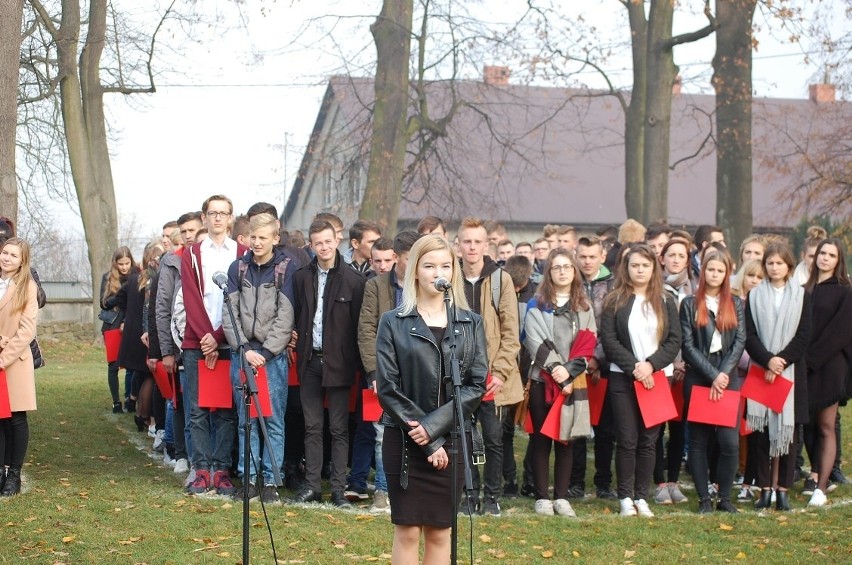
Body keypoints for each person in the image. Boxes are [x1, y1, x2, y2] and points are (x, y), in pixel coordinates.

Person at [375, 234, 486, 564]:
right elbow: (388, 389)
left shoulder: (470, 323)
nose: (439, 271)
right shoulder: (392, 322)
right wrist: (426, 439)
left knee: (440, 531)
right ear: (415, 271)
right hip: (405, 439)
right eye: (430, 265)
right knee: (407, 530)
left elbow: (475, 385)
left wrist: (435, 427)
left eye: (446, 265)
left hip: (453, 438)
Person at [599, 244, 681, 518]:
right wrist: (635, 366)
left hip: (657, 378)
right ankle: (625, 497)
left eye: (645, 265)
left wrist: (651, 365)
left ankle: (642, 497)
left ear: (654, 268)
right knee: (627, 438)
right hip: (623, 378)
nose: (640, 270)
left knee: (649, 440)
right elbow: (609, 341)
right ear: (626, 268)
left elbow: (674, 340)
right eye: (635, 265)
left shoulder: (666, 300)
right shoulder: (615, 300)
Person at [288, 219, 366, 507]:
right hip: (309, 360)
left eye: (328, 241)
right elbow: (297, 315)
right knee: (312, 426)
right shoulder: (300, 277)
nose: (323, 247)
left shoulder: (354, 280)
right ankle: (311, 486)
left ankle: (337, 488)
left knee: (338, 428)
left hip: (340, 363)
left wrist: (358, 365)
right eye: (317, 242)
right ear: (311, 245)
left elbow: (359, 327)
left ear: (337, 241)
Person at [222, 213, 297, 504]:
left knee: (273, 419)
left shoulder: (285, 269)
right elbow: (229, 314)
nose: (257, 242)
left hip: (272, 358)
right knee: (246, 420)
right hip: (243, 354)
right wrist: (244, 348)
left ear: (275, 238)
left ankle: (270, 481)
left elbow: (285, 316)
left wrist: (265, 353)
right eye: (253, 237)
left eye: (263, 237)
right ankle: (249, 479)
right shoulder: (237, 268)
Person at [181, 195, 248, 496]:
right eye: (213, 213)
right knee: (197, 409)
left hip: (228, 341)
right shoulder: (192, 253)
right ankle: (201, 469)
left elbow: (241, 301)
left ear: (231, 218)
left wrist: (219, 336)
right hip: (197, 340)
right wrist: (206, 336)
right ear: (205, 218)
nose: (218, 218)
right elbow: (192, 298)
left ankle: (220, 469)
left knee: (224, 409)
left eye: (224, 213)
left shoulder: (242, 252)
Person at [523, 248, 596, 517]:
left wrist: (569, 372)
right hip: (543, 379)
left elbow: (587, 344)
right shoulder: (537, 304)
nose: (562, 271)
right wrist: (556, 370)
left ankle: (562, 497)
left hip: (573, 382)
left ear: (574, 271)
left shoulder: (584, 307)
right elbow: (534, 341)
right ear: (548, 272)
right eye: (557, 267)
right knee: (542, 438)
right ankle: (542, 496)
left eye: (567, 266)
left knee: (567, 440)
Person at [456, 217, 521, 517]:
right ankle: (469, 494)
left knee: (494, 439)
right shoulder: (451, 277)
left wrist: (500, 372)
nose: (471, 247)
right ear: (458, 244)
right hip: (459, 376)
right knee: (463, 437)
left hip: (494, 377)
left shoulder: (500, 280)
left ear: (486, 245)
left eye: (477, 241)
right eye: (466, 241)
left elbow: (511, 333)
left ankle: (492, 496)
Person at [745, 241, 811, 511]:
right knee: (760, 433)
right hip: (762, 370)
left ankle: (783, 489)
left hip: (790, 372)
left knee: (789, 432)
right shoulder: (754, 295)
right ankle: (764, 489)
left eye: (779, 263)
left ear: (789, 266)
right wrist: (767, 360)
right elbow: (749, 335)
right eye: (770, 263)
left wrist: (781, 360)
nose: (774, 267)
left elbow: (804, 335)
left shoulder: (802, 295)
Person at [358, 231, 421, 513]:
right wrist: (374, 370)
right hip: (385, 370)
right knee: (383, 432)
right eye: (411, 258)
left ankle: (413, 487)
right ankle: (383, 491)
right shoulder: (376, 286)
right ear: (398, 257)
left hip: (419, 370)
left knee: (419, 430)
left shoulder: (424, 285)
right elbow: (366, 329)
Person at [679, 249, 746, 513]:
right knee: (699, 441)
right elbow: (687, 345)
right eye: (711, 269)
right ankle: (704, 498)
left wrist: (724, 372)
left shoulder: (735, 302)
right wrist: (712, 374)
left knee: (729, 442)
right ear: (702, 271)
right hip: (700, 376)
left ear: (727, 273)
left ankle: (725, 498)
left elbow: (740, 340)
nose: (715, 274)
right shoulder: (689, 303)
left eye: (720, 270)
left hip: (727, 376)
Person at [801, 238, 852, 506]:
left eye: (831, 255)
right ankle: (817, 472)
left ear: (838, 260)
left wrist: (813, 359)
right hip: (805, 365)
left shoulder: (844, 291)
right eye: (822, 253)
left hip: (830, 366)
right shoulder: (804, 289)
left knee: (825, 425)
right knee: (807, 424)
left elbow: (840, 333)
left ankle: (821, 486)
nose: (825, 258)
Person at [653, 237, 694, 505]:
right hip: (660, 367)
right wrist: (669, 361)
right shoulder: (655, 291)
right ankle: (659, 482)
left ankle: (674, 481)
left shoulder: (693, 292)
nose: (676, 259)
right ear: (662, 259)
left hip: (685, 369)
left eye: (681, 255)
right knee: (656, 428)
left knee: (678, 428)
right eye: (672, 254)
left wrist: (685, 362)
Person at [0, 238, 39, 496]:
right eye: (4, 252)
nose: (6, 258)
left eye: (13, 256)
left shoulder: (27, 287)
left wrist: (2, 359)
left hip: (14, 361)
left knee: (15, 419)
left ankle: (14, 475)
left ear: (22, 261)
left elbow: (27, 331)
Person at [116, 242, 162, 433]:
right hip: (148, 334)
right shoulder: (150, 278)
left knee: (143, 374)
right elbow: (148, 309)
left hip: (141, 334)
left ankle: (139, 410)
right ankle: (146, 416)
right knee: (149, 376)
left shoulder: (140, 278)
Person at [100, 246, 136, 413]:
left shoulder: (137, 276)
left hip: (130, 324)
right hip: (112, 325)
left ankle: (131, 398)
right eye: (120, 264)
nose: (124, 267)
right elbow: (104, 303)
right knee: (113, 365)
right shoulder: (107, 278)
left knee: (133, 364)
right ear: (115, 263)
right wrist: (122, 292)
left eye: (127, 263)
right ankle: (116, 401)